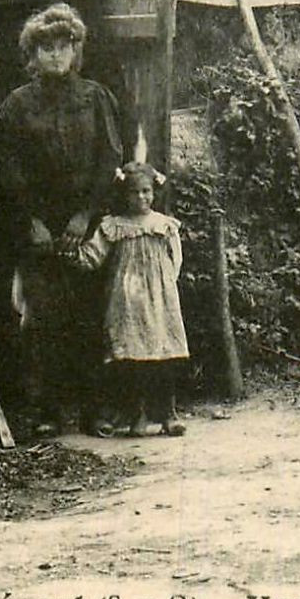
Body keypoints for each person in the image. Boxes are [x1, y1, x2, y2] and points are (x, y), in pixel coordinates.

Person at [0, 3, 122, 437]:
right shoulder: (17, 105)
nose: (55, 55)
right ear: (32, 54)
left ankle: (94, 411)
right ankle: (46, 412)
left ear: (75, 50)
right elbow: (3, 167)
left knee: (91, 317)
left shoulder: (95, 97)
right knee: (41, 321)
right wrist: (32, 221)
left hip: (85, 227)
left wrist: (85, 216)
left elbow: (110, 159)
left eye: (63, 46)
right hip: (39, 231)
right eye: (45, 47)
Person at [76, 162, 188, 437]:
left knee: (163, 354)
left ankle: (168, 414)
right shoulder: (114, 226)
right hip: (127, 300)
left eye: (146, 191)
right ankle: (138, 415)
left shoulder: (164, 225)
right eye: (135, 192)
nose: (141, 197)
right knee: (132, 357)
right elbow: (93, 256)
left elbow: (175, 260)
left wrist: (162, 285)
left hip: (159, 299)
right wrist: (69, 254)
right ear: (124, 195)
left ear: (154, 193)